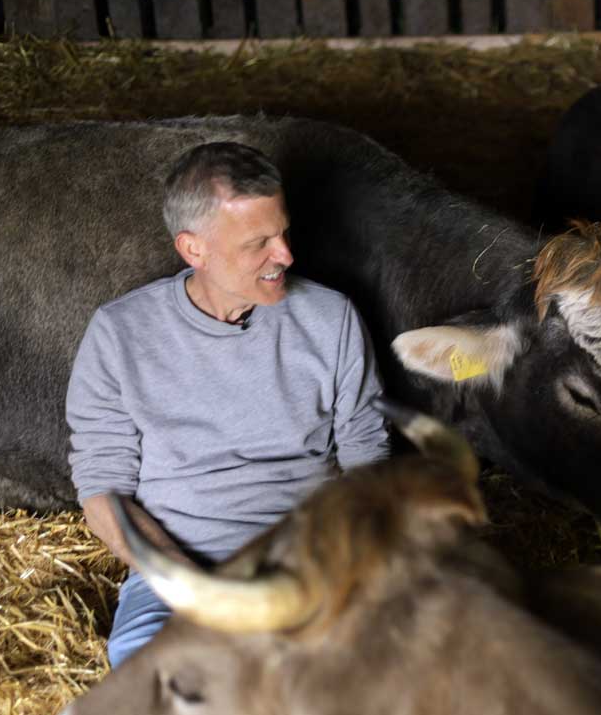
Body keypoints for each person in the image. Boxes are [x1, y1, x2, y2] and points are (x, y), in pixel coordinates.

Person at [66, 142, 390, 667]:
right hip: (178, 576)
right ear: (194, 250)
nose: (285, 255)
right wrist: (193, 587)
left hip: (308, 560)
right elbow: (103, 490)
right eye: (258, 242)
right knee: (155, 676)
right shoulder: (120, 334)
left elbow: (366, 452)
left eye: (283, 232)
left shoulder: (331, 319)